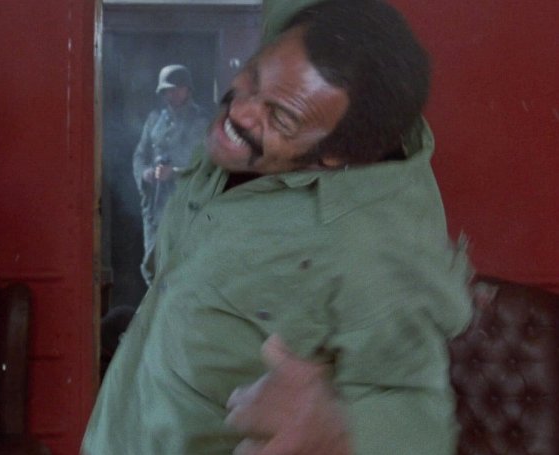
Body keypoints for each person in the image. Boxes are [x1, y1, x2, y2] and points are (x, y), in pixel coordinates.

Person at [82, 0, 474, 454]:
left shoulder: (375, 242)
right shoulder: (271, 97)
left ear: (334, 155)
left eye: (281, 117)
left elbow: (420, 419)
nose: (240, 112)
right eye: (252, 77)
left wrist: (343, 430)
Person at [132, 64, 208, 285]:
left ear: (188, 90)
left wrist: (174, 173)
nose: (171, 95)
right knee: (153, 267)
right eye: (167, 90)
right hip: (156, 208)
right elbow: (140, 155)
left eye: (176, 89)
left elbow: (209, 167)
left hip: (188, 206)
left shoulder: (202, 122)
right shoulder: (155, 119)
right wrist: (145, 173)